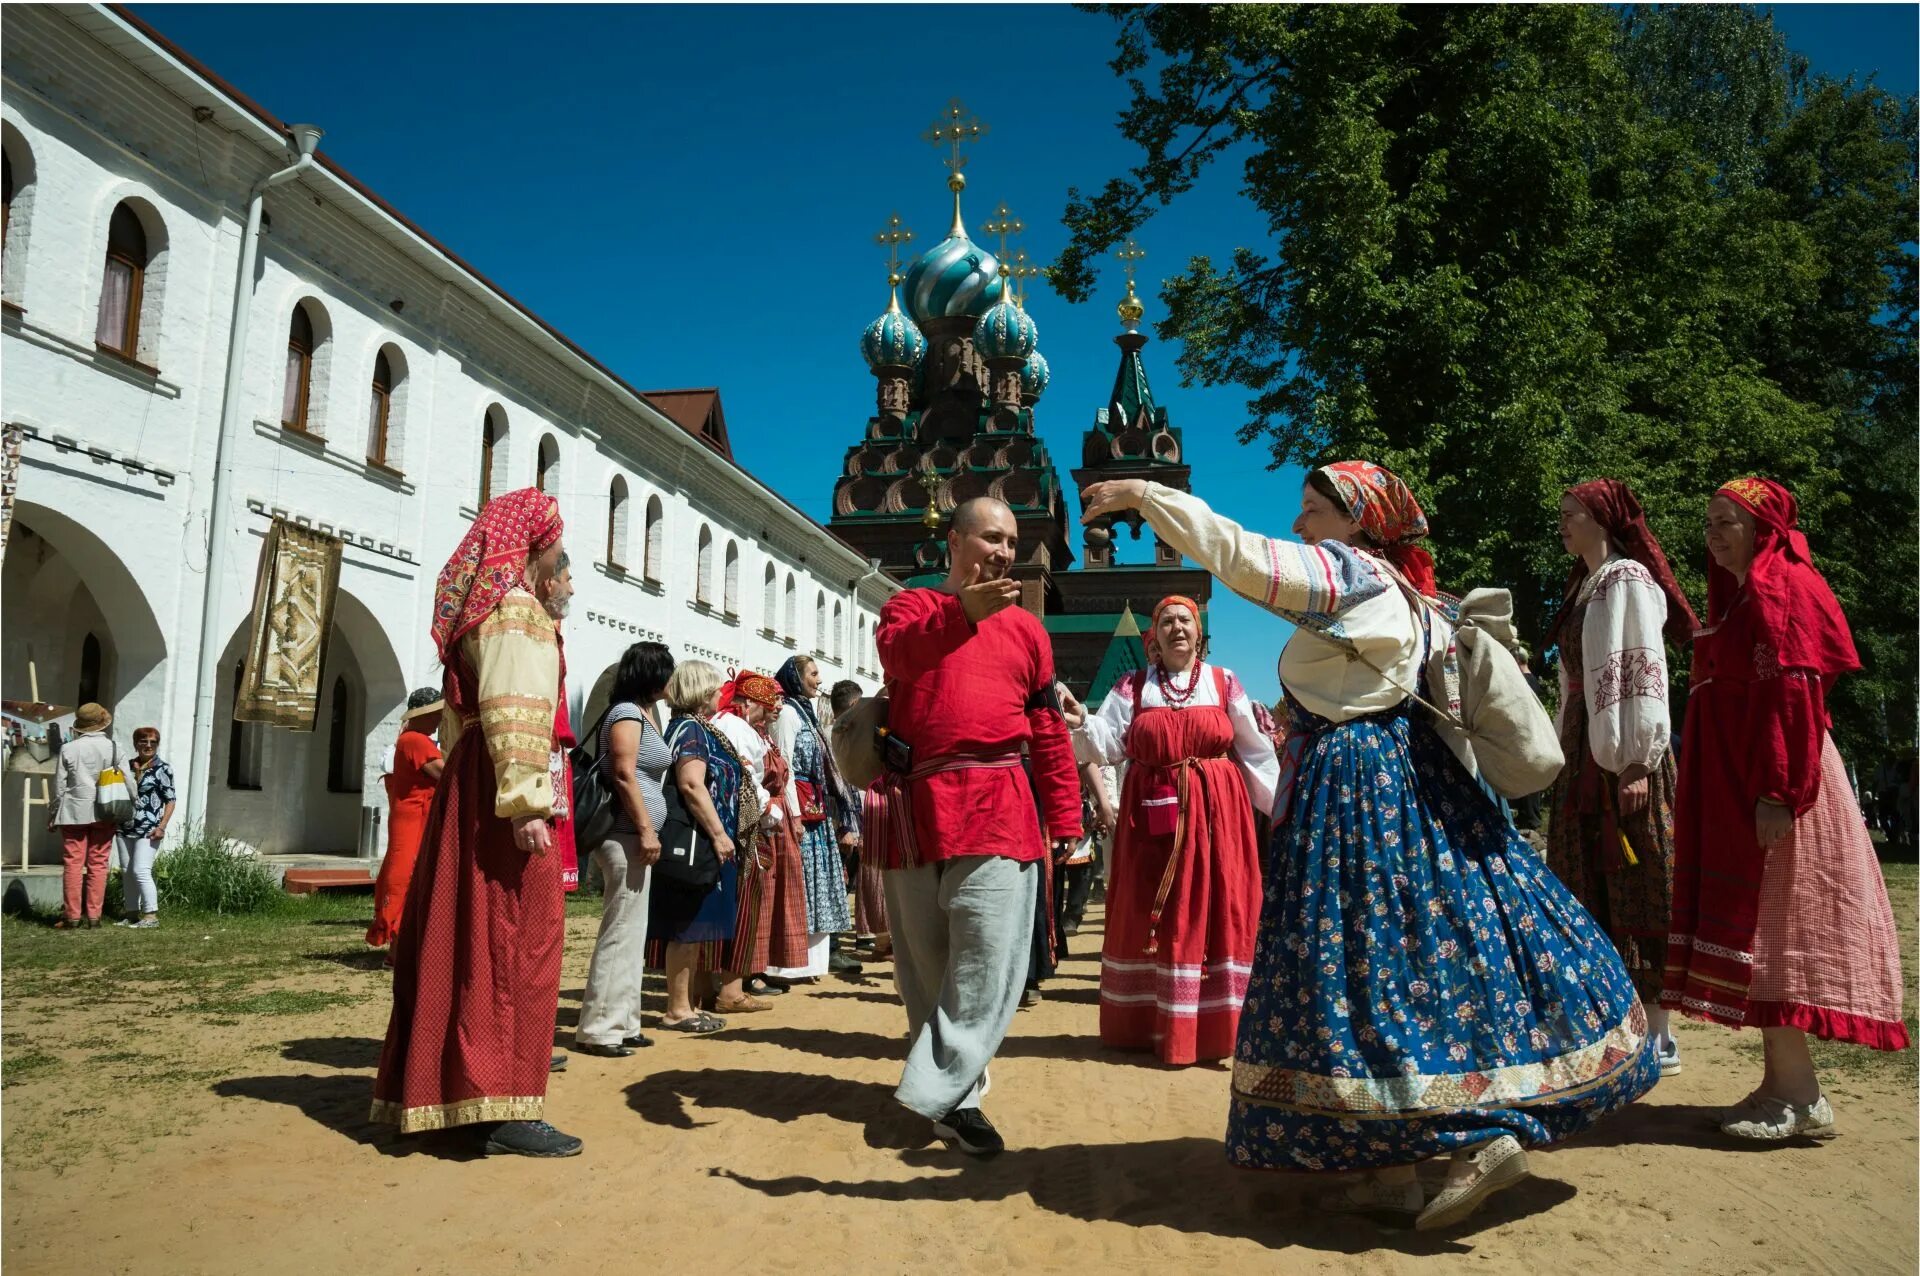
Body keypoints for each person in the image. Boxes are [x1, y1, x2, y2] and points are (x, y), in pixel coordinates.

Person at [1080, 466, 1656, 1230]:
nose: (1300, 520)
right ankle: (1395, 1165)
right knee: (1424, 950)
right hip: (1415, 778)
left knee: (1360, 958)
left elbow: (1241, 555)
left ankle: (1471, 1135)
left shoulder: (1346, 573)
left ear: (1357, 520)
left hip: (1355, 784)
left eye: (1314, 509)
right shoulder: (1409, 593)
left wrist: (1146, 498)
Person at [1664, 477, 1909, 1141]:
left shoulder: (1784, 589)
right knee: (1762, 938)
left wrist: (1778, 791)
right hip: (1746, 787)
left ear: (1763, 529)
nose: (1713, 534)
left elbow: (1795, 696)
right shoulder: (1740, 597)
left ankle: (1800, 1097)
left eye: (1728, 522)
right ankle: (1781, 1086)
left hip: (1780, 789)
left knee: (1774, 936)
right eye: (1709, 522)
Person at [369, 488, 580, 1158]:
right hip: (500, 790)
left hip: (472, 783)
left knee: (468, 936)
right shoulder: (516, 613)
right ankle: (504, 1101)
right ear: (537, 550)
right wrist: (525, 805)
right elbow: (516, 709)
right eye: (556, 546)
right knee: (516, 939)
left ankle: (456, 1086)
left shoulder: (480, 612)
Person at [874, 496, 1081, 1157]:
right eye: (991, 536)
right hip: (915, 803)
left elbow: (1048, 728)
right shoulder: (912, 607)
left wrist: (1067, 812)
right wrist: (967, 614)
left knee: (987, 960)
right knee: (925, 966)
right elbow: (901, 660)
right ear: (956, 543)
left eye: (1012, 541)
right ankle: (954, 1099)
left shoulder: (1029, 632)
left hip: (1000, 799)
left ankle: (941, 1090)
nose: (1003, 550)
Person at [1062, 596, 1276, 1065]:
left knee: (1221, 905)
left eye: (1186, 621)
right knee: (1152, 907)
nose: (1177, 629)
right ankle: (1150, 1025)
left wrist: (1282, 812)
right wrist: (1081, 720)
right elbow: (1107, 743)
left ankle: (1219, 1028)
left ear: (1199, 633)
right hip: (1150, 815)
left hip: (1219, 816)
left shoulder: (1225, 683)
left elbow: (1255, 752)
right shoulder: (1133, 685)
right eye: (1167, 622)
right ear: (1154, 636)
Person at [1545, 480, 1697, 1077]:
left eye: (1571, 515)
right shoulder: (1581, 585)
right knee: (1584, 876)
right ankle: (1613, 1020)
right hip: (1585, 744)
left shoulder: (1627, 579)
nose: (1562, 524)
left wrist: (1638, 757)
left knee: (1639, 873)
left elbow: (1641, 666)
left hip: (1621, 746)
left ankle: (1660, 1034)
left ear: (1601, 521)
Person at [573, 641, 674, 1058]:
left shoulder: (643, 713)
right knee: (619, 930)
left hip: (633, 836)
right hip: (624, 834)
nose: (671, 680)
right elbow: (624, 773)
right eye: (666, 672)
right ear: (652, 675)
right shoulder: (627, 714)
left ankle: (625, 1021)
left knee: (632, 931)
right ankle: (599, 1028)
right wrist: (647, 829)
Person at [646, 659, 758, 1033]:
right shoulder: (692, 730)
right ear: (698, 693)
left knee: (693, 925)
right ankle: (678, 1009)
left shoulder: (690, 727)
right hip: (697, 839)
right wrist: (719, 834)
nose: (717, 694)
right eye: (712, 689)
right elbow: (692, 784)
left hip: (701, 837)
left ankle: (688, 1004)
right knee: (687, 924)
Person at [770, 656, 859, 978]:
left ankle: (811, 960)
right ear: (795, 678)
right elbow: (785, 768)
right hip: (800, 811)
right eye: (813, 673)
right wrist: (793, 814)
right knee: (803, 884)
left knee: (818, 884)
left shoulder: (806, 714)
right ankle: (790, 961)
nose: (819, 680)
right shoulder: (788, 716)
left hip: (816, 812)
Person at [709, 669, 787, 1015]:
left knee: (717, 907)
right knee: (742, 908)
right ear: (752, 702)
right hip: (743, 829)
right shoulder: (740, 729)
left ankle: (705, 989)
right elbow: (747, 779)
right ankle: (730, 991)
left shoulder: (719, 721)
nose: (769, 713)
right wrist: (772, 812)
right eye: (766, 705)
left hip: (719, 824)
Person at [366, 688, 446, 951]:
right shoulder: (416, 740)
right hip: (414, 817)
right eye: (435, 714)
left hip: (411, 816)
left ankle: (398, 943)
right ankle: (398, 942)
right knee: (407, 873)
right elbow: (442, 772)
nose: (438, 719)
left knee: (405, 871)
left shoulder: (409, 739)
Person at [830, 679, 892, 961]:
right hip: (856, 813)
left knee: (873, 876)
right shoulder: (842, 732)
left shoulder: (857, 729)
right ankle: (875, 938)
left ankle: (878, 938)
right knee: (870, 876)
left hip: (864, 809)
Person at [50, 702, 120, 930]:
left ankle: (72, 916)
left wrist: (53, 814)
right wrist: (131, 808)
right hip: (105, 810)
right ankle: (94, 916)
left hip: (73, 811)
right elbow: (128, 782)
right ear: (103, 723)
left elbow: (59, 786)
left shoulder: (69, 749)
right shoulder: (114, 747)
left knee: (73, 863)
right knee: (99, 863)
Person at [113, 724, 175, 930]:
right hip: (124, 824)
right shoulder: (127, 766)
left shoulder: (162, 768)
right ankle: (131, 913)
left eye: (153, 742)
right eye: (143, 741)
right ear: (135, 744)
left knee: (140, 869)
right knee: (127, 870)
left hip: (149, 826)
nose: (148, 746)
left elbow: (171, 800)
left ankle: (150, 915)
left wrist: (162, 826)